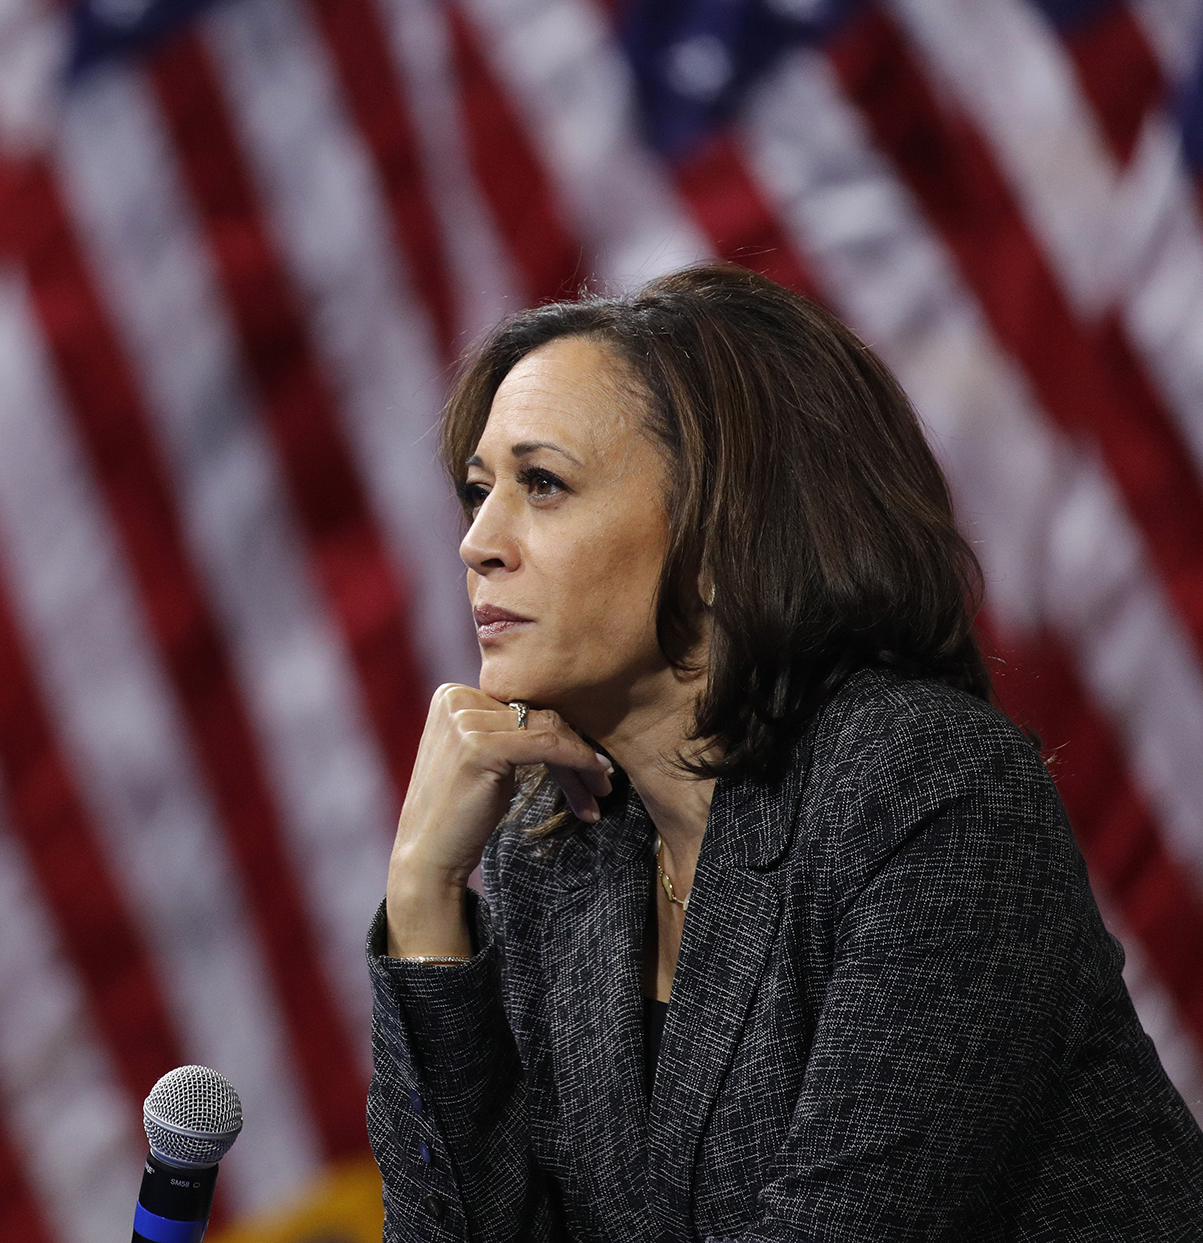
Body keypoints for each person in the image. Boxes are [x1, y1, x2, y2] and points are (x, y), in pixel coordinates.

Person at [368, 265, 1203, 1242]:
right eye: (478, 491)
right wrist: (425, 893)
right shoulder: (559, 853)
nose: (475, 541)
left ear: (723, 531)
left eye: (541, 484)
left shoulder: (918, 788)